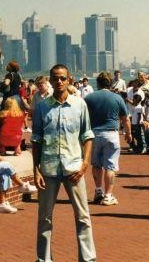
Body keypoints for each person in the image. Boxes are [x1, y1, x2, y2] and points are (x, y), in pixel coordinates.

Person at [32, 64, 96, 262]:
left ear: (69, 80)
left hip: (74, 168)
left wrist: (85, 164)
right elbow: (36, 140)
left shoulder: (80, 105)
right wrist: (36, 170)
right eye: (55, 78)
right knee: (44, 219)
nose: (59, 81)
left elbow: (87, 136)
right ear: (50, 81)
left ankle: (87, 258)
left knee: (83, 216)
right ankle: (44, 259)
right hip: (49, 168)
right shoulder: (42, 107)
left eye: (62, 78)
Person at [84, 71, 132, 206]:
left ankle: (98, 190)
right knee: (110, 166)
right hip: (111, 133)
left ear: (98, 83)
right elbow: (125, 119)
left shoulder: (89, 98)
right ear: (111, 83)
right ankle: (108, 195)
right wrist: (128, 134)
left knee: (96, 164)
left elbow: (83, 118)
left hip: (94, 134)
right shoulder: (117, 98)